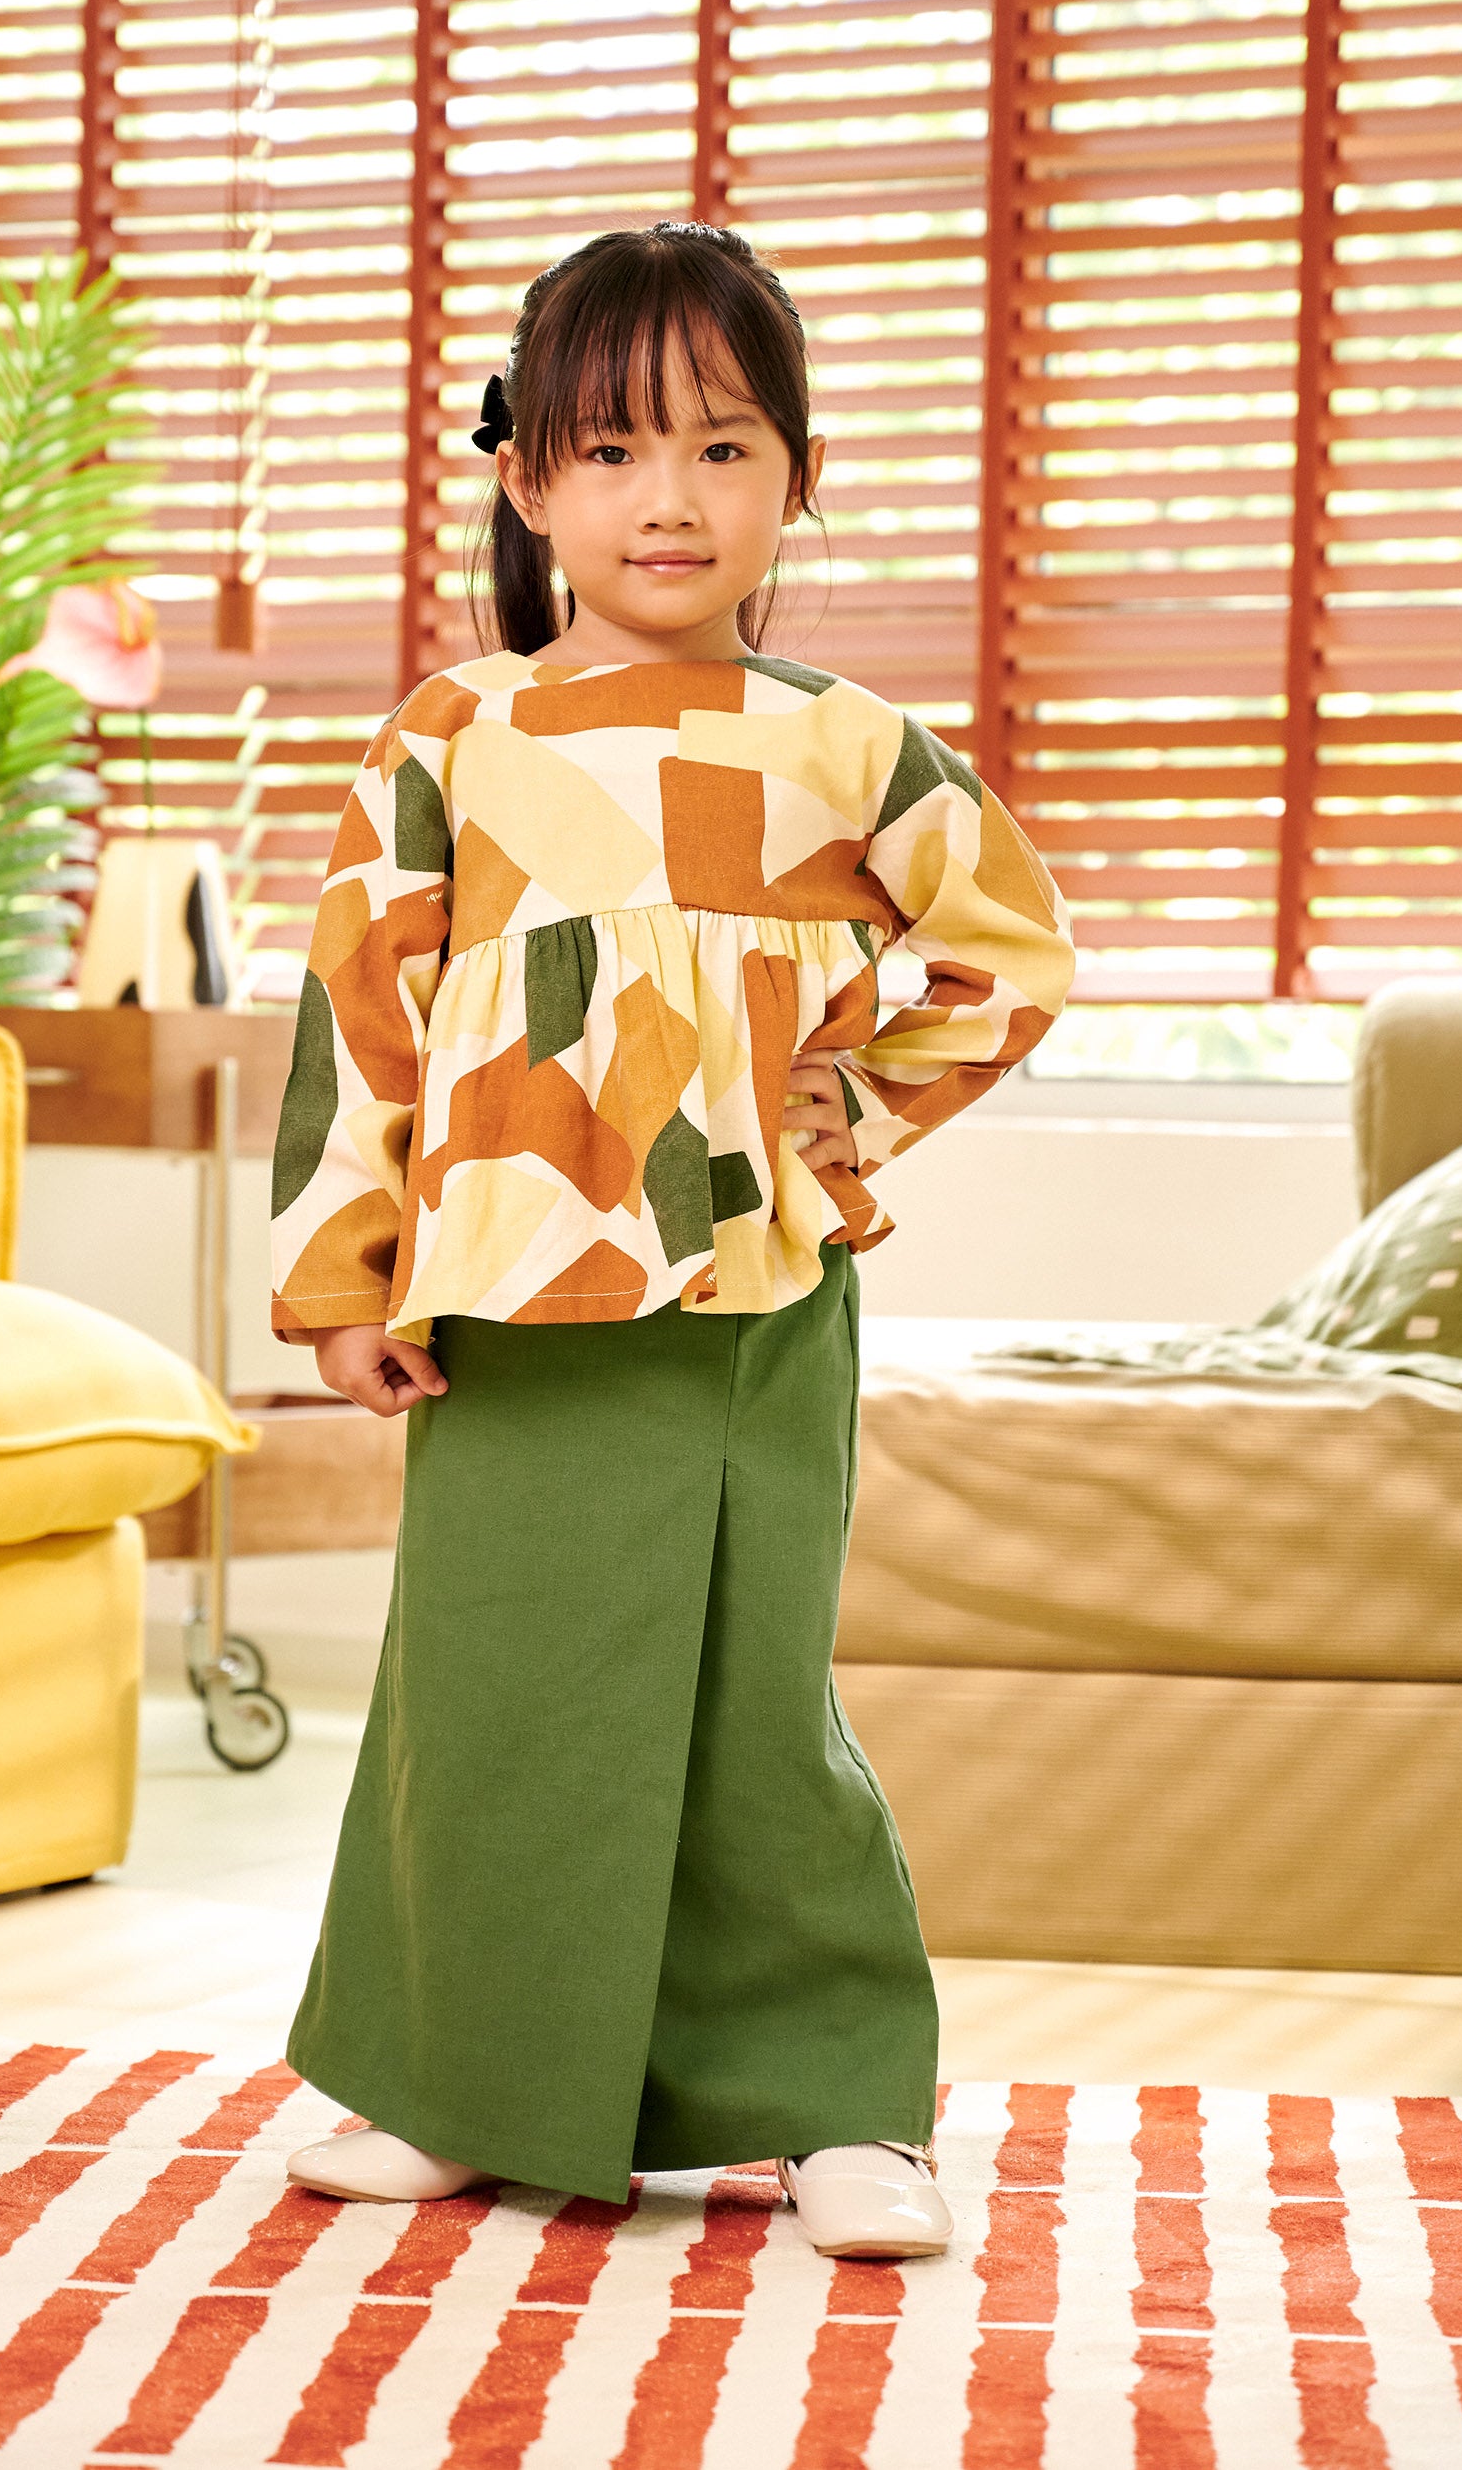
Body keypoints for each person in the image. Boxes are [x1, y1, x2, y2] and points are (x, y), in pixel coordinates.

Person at [268, 220, 1075, 2258]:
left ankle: (831, 2104)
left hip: (752, 1296)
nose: (669, 498)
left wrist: (855, 1105)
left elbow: (1003, 955)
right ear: (527, 484)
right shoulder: (457, 737)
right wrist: (347, 1272)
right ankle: (467, 2082)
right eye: (612, 450)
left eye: (723, 448)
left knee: (746, 1701)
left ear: (798, 477)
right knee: (494, 1695)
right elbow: (363, 1013)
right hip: (510, 1304)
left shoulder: (848, 745)